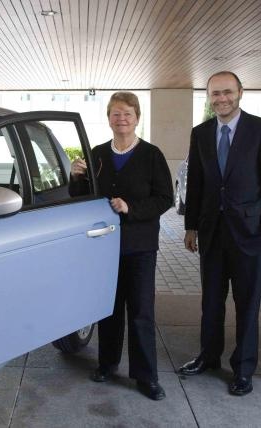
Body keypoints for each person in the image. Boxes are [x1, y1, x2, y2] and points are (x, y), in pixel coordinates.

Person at [179, 71, 261, 396]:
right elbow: (196, 183)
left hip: (249, 234)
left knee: (247, 305)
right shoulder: (200, 133)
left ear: (240, 92)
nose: (221, 99)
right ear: (208, 97)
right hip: (211, 233)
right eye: (215, 94)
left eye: (227, 92)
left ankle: (243, 369)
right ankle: (209, 357)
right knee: (211, 302)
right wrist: (191, 225)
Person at [70, 91, 173, 401]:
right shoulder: (97, 154)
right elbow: (81, 198)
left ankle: (146, 377)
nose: (121, 119)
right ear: (109, 118)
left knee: (141, 311)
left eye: (127, 113)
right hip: (104, 247)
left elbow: (165, 199)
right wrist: (75, 178)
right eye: (116, 113)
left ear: (137, 117)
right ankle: (107, 364)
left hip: (140, 246)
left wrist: (131, 208)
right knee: (109, 309)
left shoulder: (152, 155)